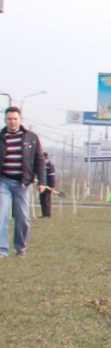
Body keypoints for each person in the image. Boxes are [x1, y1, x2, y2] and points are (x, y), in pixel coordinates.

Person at [0, 105, 47, 259]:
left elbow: (39, 160)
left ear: (20, 120)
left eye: (15, 119)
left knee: (22, 217)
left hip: (22, 183)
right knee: (1, 214)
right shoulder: (1, 137)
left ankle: (20, 248)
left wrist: (42, 181)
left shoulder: (31, 137)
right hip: (3, 181)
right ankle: (2, 249)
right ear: (5, 120)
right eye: (9, 119)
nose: (12, 122)